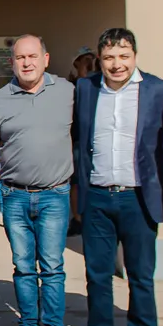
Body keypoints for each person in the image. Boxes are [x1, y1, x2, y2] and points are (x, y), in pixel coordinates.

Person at [73, 28, 163, 326]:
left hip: (139, 198)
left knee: (141, 274)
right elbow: (77, 138)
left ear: (134, 56)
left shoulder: (159, 90)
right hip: (98, 196)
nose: (116, 64)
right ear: (100, 60)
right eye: (109, 58)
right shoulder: (86, 88)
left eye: (123, 56)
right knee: (97, 274)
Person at [0, 35, 74, 326]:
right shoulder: (1, 98)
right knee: (23, 267)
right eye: (20, 57)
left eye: (33, 56)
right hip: (14, 196)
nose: (27, 63)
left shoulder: (66, 92)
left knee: (52, 267)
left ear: (45, 59)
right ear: (12, 62)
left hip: (54, 195)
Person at [67, 46, 98, 236]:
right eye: (84, 60)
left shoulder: (98, 83)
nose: (89, 63)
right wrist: (82, 72)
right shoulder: (73, 85)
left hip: (95, 141)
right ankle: (78, 219)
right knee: (77, 181)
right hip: (78, 141)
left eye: (91, 60)